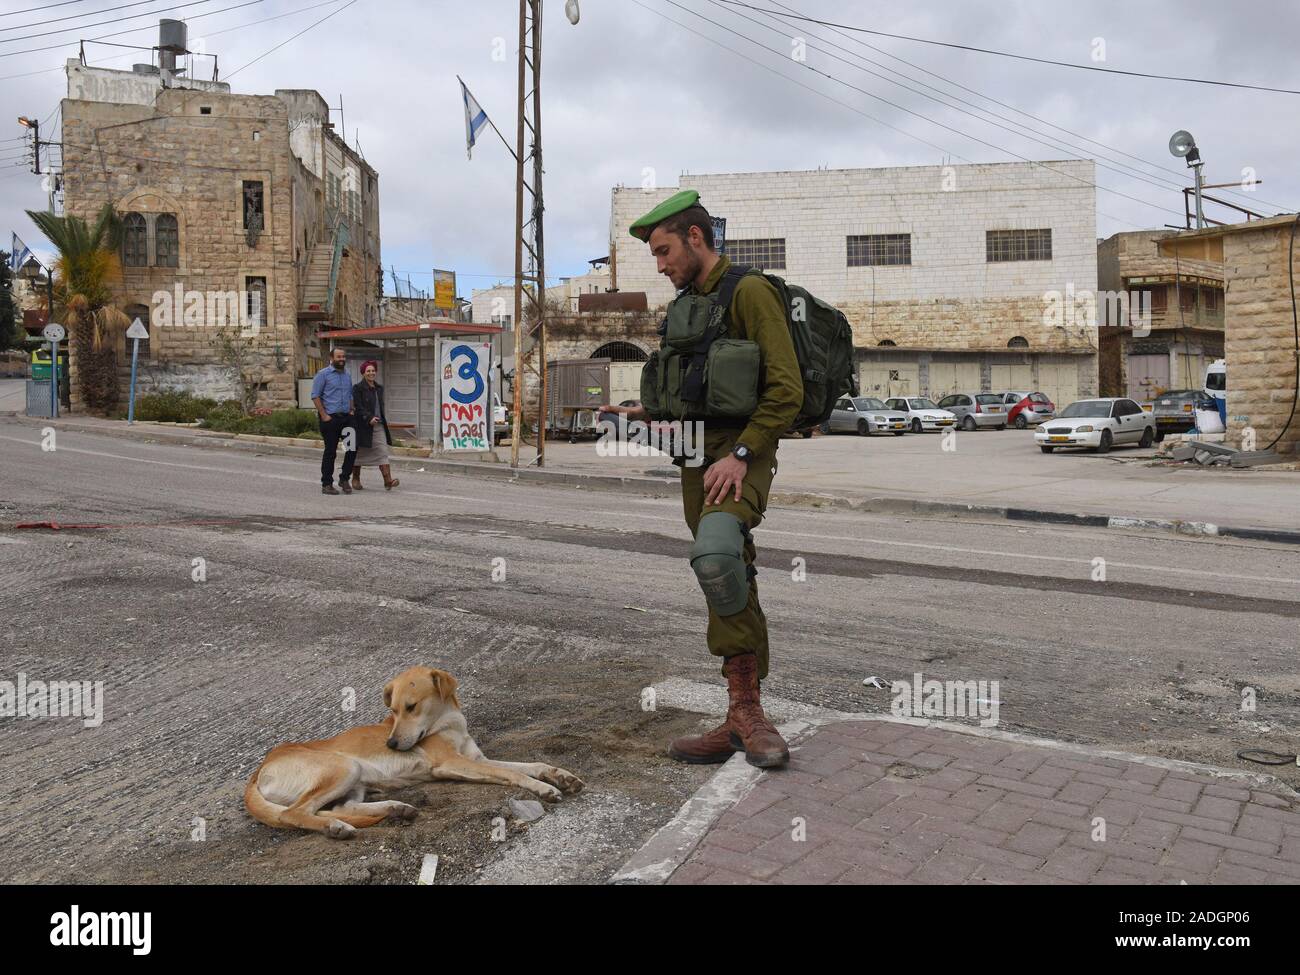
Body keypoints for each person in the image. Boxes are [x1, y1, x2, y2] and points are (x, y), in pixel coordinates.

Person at [604, 190, 803, 768]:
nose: (661, 265)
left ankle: (748, 715)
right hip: (697, 454)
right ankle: (741, 712)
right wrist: (648, 414)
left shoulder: (750, 292)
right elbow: (695, 389)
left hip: (743, 451)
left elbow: (784, 390)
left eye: (665, 251)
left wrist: (742, 453)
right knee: (725, 571)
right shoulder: (687, 307)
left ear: (696, 238)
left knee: (716, 555)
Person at [311, 347, 356, 495]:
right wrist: (324, 415)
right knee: (331, 452)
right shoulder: (323, 374)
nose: (342, 359)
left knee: (352, 448)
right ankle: (327, 484)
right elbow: (315, 396)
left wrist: (351, 410)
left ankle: (344, 479)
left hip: (346, 419)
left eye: (343, 356)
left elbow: (349, 394)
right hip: (330, 419)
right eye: (338, 357)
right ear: (332, 358)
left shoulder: (347, 375)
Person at [351, 360, 399, 491]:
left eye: (373, 371)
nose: (371, 373)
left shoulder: (379, 388)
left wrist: (378, 419)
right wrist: (369, 418)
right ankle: (355, 478)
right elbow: (358, 406)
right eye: (368, 371)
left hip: (378, 425)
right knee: (359, 453)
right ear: (363, 373)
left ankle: (387, 480)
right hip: (363, 426)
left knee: (382, 451)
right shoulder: (357, 388)